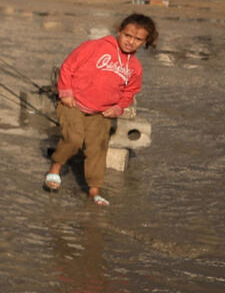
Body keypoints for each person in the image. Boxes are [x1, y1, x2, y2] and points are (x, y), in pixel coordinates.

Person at [43, 13, 157, 206]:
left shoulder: (135, 67)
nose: (130, 42)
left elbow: (130, 92)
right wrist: (66, 93)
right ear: (119, 31)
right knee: (74, 138)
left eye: (138, 39)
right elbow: (68, 67)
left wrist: (118, 108)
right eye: (127, 35)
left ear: (145, 42)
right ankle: (55, 168)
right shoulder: (95, 46)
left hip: (102, 112)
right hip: (73, 103)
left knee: (98, 149)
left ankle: (94, 190)